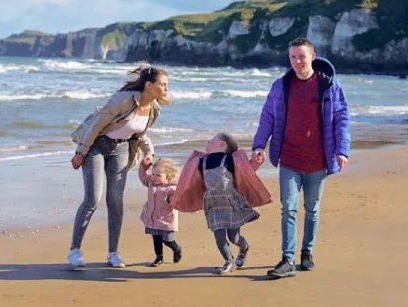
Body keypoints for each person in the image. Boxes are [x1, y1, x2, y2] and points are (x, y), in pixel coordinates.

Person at [251, 37, 350, 279]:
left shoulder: (329, 86)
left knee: (312, 209)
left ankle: (306, 253)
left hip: (318, 159)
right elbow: (268, 117)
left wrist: (342, 150)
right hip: (290, 158)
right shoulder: (281, 86)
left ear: (312, 57)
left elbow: (341, 118)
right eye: (293, 57)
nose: (297, 61)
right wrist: (259, 145)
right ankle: (287, 259)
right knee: (289, 209)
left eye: (302, 56)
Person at [67, 65, 169, 269]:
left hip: (121, 150)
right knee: (92, 199)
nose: (166, 89)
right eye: (163, 84)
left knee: (115, 201)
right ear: (149, 85)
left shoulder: (154, 108)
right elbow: (96, 125)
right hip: (96, 145)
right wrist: (81, 153)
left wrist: (149, 151)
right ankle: (74, 250)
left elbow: (140, 133)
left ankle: (113, 253)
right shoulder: (123, 100)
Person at [172, 133, 272, 274]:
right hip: (213, 203)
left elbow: (246, 172)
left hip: (230, 201)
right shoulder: (202, 161)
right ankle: (228, 261)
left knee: (234, 237)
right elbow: (191, 181)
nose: (208, 141)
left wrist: (256, 162)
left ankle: (244, 248)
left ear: (223, 144)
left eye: (212, 140)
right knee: (219, 238)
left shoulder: (230, 159)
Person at [138, 157, 182, 267]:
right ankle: (159, 257)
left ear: (167, 176)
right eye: (153, 174)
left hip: (166, 220)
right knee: (156, 238)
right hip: (152, 217)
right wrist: (143, 168)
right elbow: (143, 177)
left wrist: (173, 201)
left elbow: (176, 201)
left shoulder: (172, 188)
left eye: (158, 175)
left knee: (168, 240)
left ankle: (176, 249)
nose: (154, 177)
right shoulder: (151, 182)